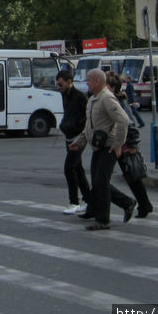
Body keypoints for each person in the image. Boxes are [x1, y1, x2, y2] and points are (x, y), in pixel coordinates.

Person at [68, 69, 135, 231]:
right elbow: (89, 127)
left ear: (98, 81)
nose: (87, 83)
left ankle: (103, 220)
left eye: (89, 80)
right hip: (97, 147)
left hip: (108, 147)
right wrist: (79, 142)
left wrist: (118, 144)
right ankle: (126, 203)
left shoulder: (106, 98)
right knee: (98, 183)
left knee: (101, 183)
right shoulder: (93, 99)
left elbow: (124, 120)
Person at [107, 72, 153, 218]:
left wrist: (133, 145)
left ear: (113, 87)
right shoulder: (113, 100)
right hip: (117, 144)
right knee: (131, 178)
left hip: (124, 146)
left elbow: (130, 123)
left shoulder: (119, 102)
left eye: (106, 85)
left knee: (132, 177)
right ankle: (145, 205)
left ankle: (143, 205)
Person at [56, 69, 90, 215]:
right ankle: (89, 200)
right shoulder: (65, 95)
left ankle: (74, 201)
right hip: (69, 135)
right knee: (77, 168)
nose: (59, 87)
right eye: (58, 85)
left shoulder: (80, 97)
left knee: (69, 168)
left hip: (78, 137)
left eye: (61, 84)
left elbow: (87, 117)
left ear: (70, 82)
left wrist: (77, 128)